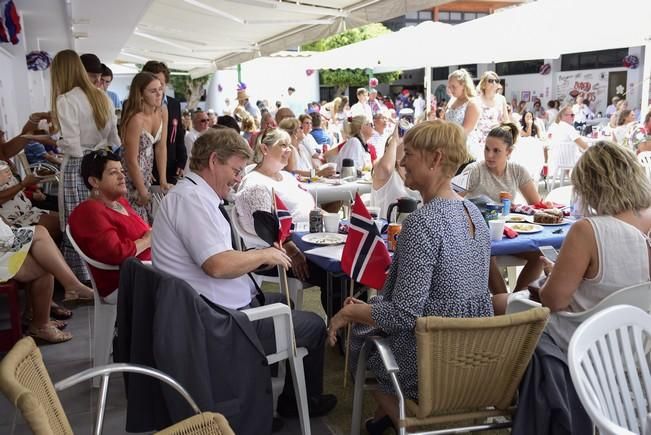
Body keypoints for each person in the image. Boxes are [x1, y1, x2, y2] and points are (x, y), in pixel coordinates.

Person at [151, 128, 336, 421]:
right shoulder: (192, 200)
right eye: (236, 170)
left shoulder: (193, 194)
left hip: (207, 309)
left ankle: (256, 391)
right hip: (216, 322)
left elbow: (218, 259)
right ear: (214, 161)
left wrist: (258, 260)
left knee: (280, 300)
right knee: (313, 325)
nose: (238, 178)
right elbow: (217, 265)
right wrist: (262, 255)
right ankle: (296, 402)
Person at [327, 120, 493, 432]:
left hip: (433, 357)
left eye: (410, 154)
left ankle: (410, 424)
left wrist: (349, 312)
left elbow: (403, 315)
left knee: (360, 341)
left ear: (436, 158)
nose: (402, 162)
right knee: (371, 324)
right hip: (473, 353)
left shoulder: (423, 222)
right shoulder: (473, 212)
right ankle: (381, 421)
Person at [495, 141, 651, 353]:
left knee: (496, 302)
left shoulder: (588, 230)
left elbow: (553, 300)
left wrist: (554, 275)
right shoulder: (645, 223)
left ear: (589, 185)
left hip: (582, 341)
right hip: (633, 341)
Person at [50, 49, 120, 281]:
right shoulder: (101, 96)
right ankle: (106, 268)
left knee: (78, 220)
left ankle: (81, 276)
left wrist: (56, 141)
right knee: (103, 217)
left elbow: (72, 144)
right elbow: (114, 140)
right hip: (102, 163)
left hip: (78, 166)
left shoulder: (66, 99)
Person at [463, 123, 549, 294]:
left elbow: (536, 203)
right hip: (480, 234)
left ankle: (516, 299)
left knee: (540, 255)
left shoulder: (517, 171)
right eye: (487, 149)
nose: (489, 155)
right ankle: (505, 303)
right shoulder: (475, 170)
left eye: (496, 151)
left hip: (509, 233)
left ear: (509, 152)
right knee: (485, 253)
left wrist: (547, 206)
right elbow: (451, 198)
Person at [69, 150, 151, 300]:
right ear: (94, 182)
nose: (122, 176)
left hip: (146, 271)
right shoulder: (89, 211)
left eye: (122, 171)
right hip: (124, 282)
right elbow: (116, 253)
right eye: (113, 173)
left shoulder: (119, 202)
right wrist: (147, 240)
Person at [120, 72, 169, 223]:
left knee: (146, 222)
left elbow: (161, 147)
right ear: (140, 94)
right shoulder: (136, 119)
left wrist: (163, 180)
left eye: (160, 89)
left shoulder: (163, 112)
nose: (159, 94)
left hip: (146, 173)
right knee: (135, 222)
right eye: (153, 91)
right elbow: (130, 160)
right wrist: (141, 190)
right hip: (129, 175)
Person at [142, 61, 187, 184]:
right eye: (152, 85)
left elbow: (178, 135)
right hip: (145, 170)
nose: (157, 89)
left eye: (161, 84)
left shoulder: (173, 104)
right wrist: (143, 169)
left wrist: (181, 161)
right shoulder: (134, 106)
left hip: (171, 168)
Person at [370, 125, 421, 220]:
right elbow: (386, 168)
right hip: (386, 232)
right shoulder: (387, 174)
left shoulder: (418, 176)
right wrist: (394, 140)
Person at [469, 71, 509, 160]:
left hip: (497, 137)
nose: (494, 83)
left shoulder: (501, 99)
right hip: (480, 139)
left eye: (497, 81)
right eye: (490, 81)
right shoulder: (476, 100)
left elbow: (506, 120)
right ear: (483, 84)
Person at [444, 69, 480, 136]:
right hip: (449, 142)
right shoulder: (451, 101)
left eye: (453, 87)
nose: (451, 90)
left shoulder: (472, 103)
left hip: (464, 143)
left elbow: (465, 130)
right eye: (449, 87)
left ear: (463, 85)